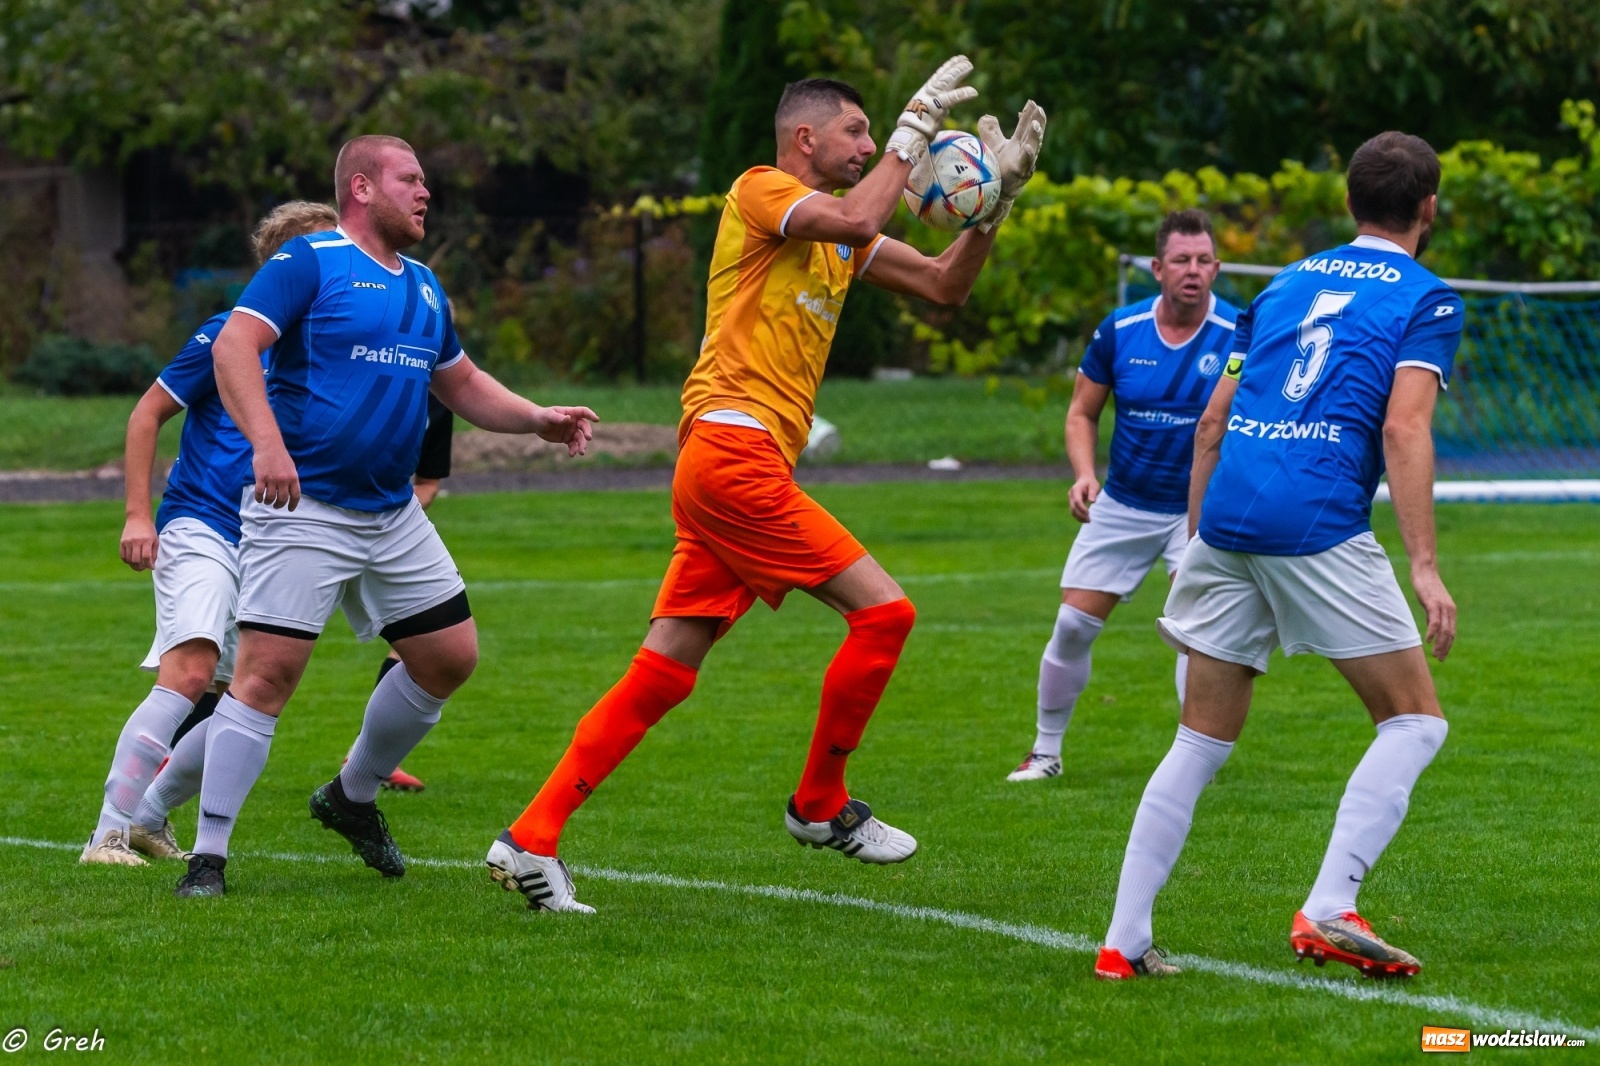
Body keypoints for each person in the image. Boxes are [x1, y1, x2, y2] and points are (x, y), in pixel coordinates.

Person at [486, 64, 1048, 913]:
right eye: (856, 132)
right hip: (732, 451)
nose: (869, 146)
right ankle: (820, 807)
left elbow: (944, 287)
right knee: (886, 614)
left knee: (665, 670)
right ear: (805, 140)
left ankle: (530, 837)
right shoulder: (760, 190)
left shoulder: (837, 238)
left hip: (730, 466)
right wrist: (918, 121)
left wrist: (995, 205)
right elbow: (863, 212)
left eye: (874, 133)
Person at [176, 134, 598, 898]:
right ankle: (208, 857)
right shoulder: (309, 261)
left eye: (426, 180)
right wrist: (267, 444)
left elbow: (461, 383)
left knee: (448, 657)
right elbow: (234, 347)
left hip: (392, 513)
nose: (425, 191)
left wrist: (537, 416)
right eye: (411, 179)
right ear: (363, 188)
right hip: (304, 507)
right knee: (267, 677)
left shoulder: (426, 286)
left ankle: (352, 794)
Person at [1095, 132, 1462, 979]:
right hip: (1316, 519)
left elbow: (1212, 423)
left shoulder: (1284, 284)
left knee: (1198, 741)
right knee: (1414, 721)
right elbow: (1403, 426)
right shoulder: (1428, 298)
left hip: (1225, 518)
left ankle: (1124, 942)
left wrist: (1195, 545)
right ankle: (1331, 905)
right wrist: (1426, 566)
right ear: (1428, 208)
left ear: (1349, 204)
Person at [80, 201, 341, 867]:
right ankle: (105, 835)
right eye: (320, 251)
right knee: (189, 671)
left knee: (237, 699)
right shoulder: (228, 334)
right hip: (200, 524)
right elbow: (147, 413)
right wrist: (139, 515)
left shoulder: (330, 354)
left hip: (269, 545)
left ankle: (148, 816)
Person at [1008, 210, 1238, 782]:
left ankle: (1192, 763)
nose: (1194, 271)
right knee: (1072, 627)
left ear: (1217, 267)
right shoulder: (1121, 329)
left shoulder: (1240, 335)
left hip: (1199, 515)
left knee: (1197, 638)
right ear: (1157, 268)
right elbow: (1081, 413)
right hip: (1124, 503)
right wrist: (1085, 473)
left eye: (1204, 260)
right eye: (1182, 260)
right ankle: (1045, 752)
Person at [355, 394, 455, 794]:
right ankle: (167, 755)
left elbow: (428, 483)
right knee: (256, 662)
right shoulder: (359, 371)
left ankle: (367, 758)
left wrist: (392, 520)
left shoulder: (441, 401)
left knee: (427, 647)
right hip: (316, 525)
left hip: (387, 537)